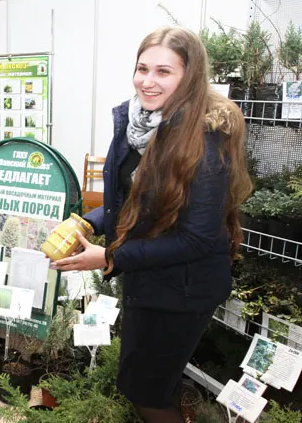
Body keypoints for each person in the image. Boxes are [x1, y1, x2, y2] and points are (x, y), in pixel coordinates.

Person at [52, 27, 252, 422]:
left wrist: (109, 257)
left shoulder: (205, 140)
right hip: (148, 278)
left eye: (163, 72)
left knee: (146, 392)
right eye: (142, 68)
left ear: (189, 76)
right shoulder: (136, 122)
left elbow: (196, 239)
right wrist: (92, 223)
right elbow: (127, 197)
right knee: (152, 382)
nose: (147, 80)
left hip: (183, 289)